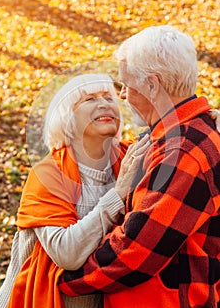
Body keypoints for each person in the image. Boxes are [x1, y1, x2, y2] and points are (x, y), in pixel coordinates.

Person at [58, 26, 220, 308]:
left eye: (126, 85)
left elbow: (134, 253)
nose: (122, 95)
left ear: (152, 85)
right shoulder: (179, 134)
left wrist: (63, 279)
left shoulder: (182, 152)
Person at [0, 73, 150, 308]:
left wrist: (211, 120)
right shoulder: (47, 174)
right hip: (31, 301)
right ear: (68, 118)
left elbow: (177, 138)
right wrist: (117, 194)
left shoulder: (131, 156)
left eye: (108, 97)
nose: (104, 103)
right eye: (90, 99)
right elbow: (67, 252)